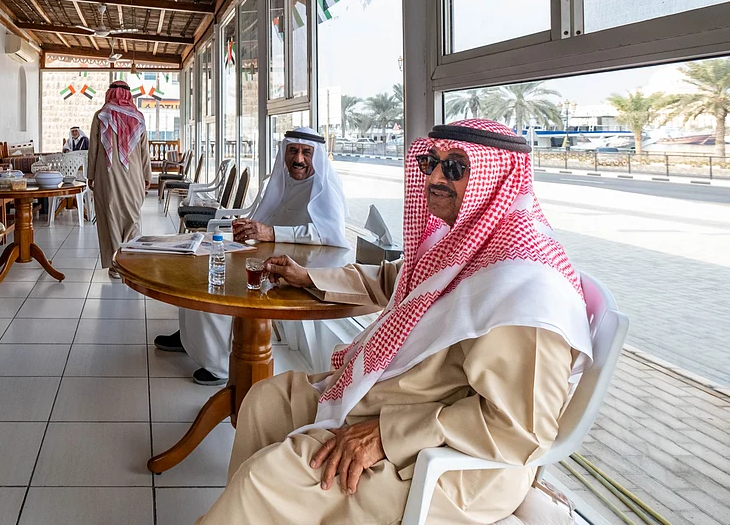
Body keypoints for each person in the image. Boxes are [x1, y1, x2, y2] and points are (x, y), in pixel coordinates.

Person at [196, 120, 593, 525]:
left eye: (456, 167)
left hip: (451, 460)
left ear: (496, 179)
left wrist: (388, 435)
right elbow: (397, 280)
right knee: (264, 402)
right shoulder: (467, 241)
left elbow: (521, 429)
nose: (435, 178)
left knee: (265, 482)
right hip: (401, 398)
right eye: (431, 162)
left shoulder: (526, 288)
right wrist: (309, 276)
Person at [155, 127, 351, 385]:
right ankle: (190, 337)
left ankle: (218, 365)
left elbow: (329, 235)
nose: (298, 159)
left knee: (216, 282)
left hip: (289, 269)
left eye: (306, 153)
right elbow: (265, 219)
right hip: (262, 254)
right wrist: (248, 229)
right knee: (196, 264)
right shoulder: (282, 181)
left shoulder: (324, 189)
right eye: (293, 151)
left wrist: (271, 232)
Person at [88, 81, 151, 276]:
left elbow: (93, 149)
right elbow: (144, 152)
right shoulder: (138, 117)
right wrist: (147, 175)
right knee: (133, 218)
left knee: (111, 218)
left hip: (107, 176)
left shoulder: (101, 115)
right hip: (134, 175)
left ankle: (116, 266)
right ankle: (130, 264)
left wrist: (90, 175)